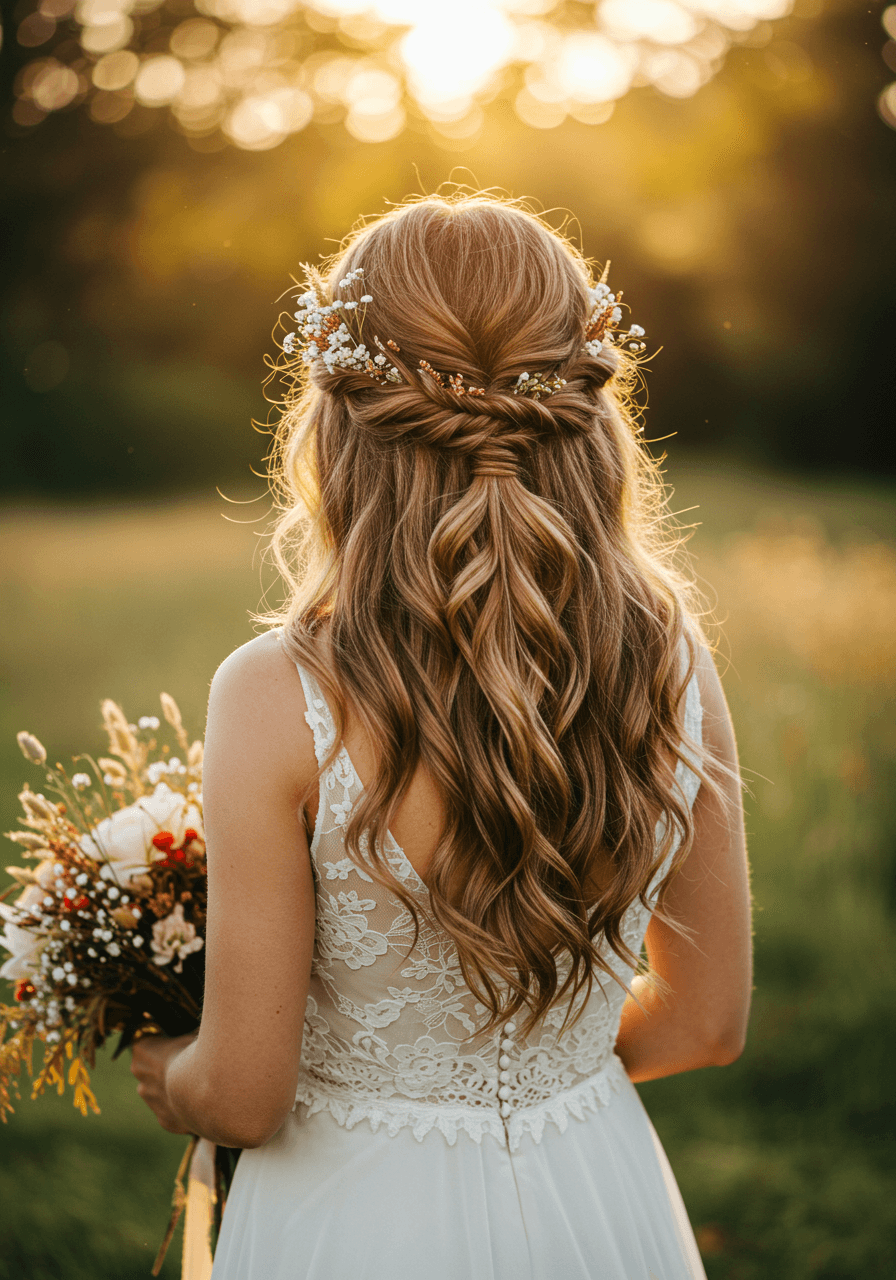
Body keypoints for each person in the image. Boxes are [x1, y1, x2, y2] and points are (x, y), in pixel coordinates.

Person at [130, 194, 752, 1280]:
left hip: (352, 1216)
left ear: (335, 424)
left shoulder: (276, 692)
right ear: (586, 407)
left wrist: (169, 1068)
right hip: (591, 1190)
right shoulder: (672, 659)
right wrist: (531, 1069)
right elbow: (705, 1022)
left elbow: (243, 1091)